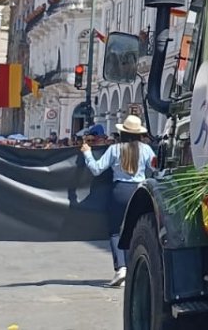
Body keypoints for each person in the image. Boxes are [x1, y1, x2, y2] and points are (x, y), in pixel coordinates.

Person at [82, 115, 157, 287]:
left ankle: (121, 268)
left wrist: (87, 153)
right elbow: (156, 168)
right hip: (139, 192)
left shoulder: (115, 149)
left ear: (122, 132)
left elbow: (96, 169)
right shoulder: (146, 149)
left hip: (119, 191)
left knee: (116, 231)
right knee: (136, 230)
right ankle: (135, 267)